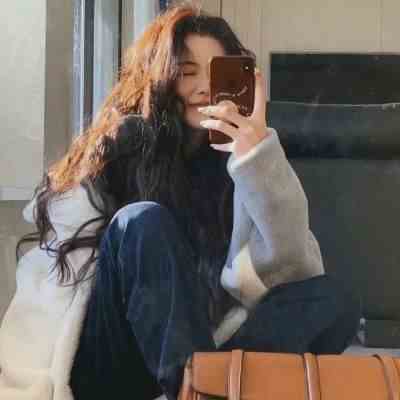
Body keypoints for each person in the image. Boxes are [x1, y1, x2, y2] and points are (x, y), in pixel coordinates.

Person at [0, 3, 361, 400]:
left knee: (333, 299)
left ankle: (206, 388)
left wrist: (256, 158)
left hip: (199, 356)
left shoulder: (242, 163)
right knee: (142, 221)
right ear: (160, 78)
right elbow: (54, 279)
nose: (203, 87)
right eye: (187, 72)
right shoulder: (120, 147)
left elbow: (292, 267)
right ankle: (204, 389)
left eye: (216, 73)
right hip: (111, 362)